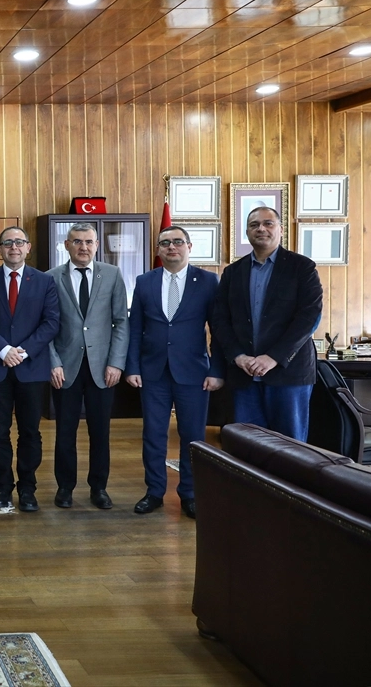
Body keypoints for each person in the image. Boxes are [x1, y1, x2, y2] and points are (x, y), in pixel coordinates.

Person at [126, 226, 224, 519]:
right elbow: (135, 329)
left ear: (189, 247)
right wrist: (132, 367)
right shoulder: (145, 281)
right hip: (152, 371)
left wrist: (217, 369)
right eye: (165, 243)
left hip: (194, 372)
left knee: (192, 435)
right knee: (153, 434)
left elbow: (218, 329)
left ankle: (190, 494)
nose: (172, 247)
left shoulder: (208, 281)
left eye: (178, 242)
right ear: (158, 249)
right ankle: (154, 492)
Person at [212, 206, 322, 442]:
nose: (261, 228)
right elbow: (220, 320)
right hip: (244, 375)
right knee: (246, 446)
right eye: (254, 225)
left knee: (291, 448)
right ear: (247, 232)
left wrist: (273, 357)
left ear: (281, 229)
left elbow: (309, 317)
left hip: (288, 374)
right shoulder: (232, 272)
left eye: (268, 223)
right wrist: (238, 356)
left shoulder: (302, 267)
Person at [0, 227, 59, 512]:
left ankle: (27, 489)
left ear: (28, 247)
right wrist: (3, 349)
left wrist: (21, 351)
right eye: (8, 242)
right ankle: (2, 489)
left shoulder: (45, 281)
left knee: (30, 431)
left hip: (31, 368)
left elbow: (51, 323)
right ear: (0, 249)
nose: (14, 247)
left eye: (19, 242)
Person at [47, 223, 128, 510]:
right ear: (66, 245)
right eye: (77, 241)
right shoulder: (51, 278)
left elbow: (121, 322)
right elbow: (46, 326)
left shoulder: (112, 274)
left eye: (89, 242)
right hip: (65, 368)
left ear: (96, 245)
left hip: (102, 368)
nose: (83, 247)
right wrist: (53, 363)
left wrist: (116, 362)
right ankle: (64, 487)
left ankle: (99, 488)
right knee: (65, 432)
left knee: (100, 432)